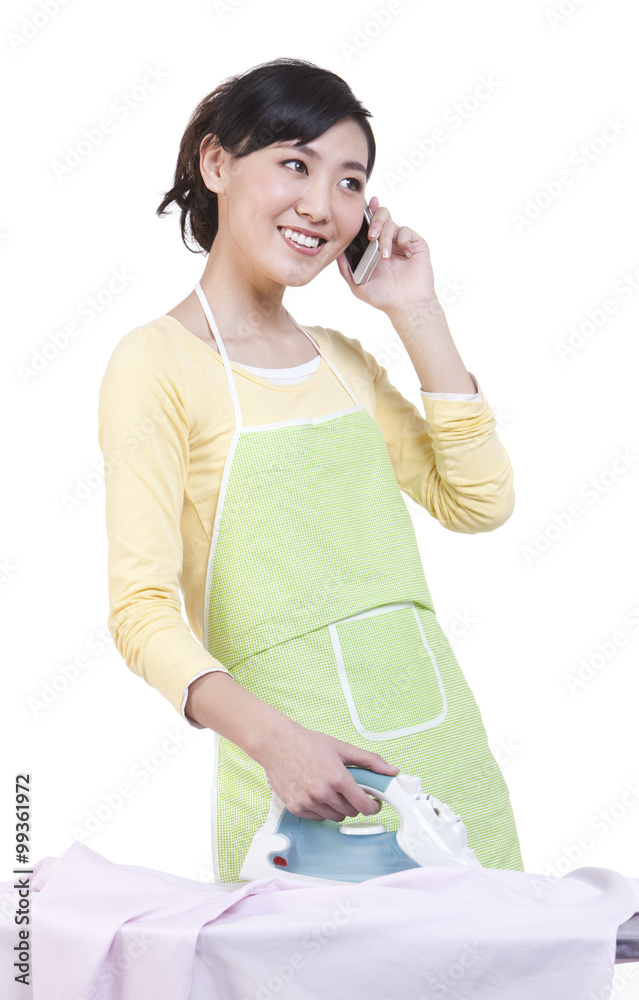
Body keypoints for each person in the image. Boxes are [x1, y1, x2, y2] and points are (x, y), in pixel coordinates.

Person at [98, 56, 524, 883]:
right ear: (218, 164)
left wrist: (416, 311)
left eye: (350, 181)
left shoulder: (341, 360)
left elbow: (478, 501)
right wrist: (273, 743)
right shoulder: (155, 364)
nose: (322, 205)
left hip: (449, 766)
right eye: (294, 163)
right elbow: (140, 611)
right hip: (300, 785)